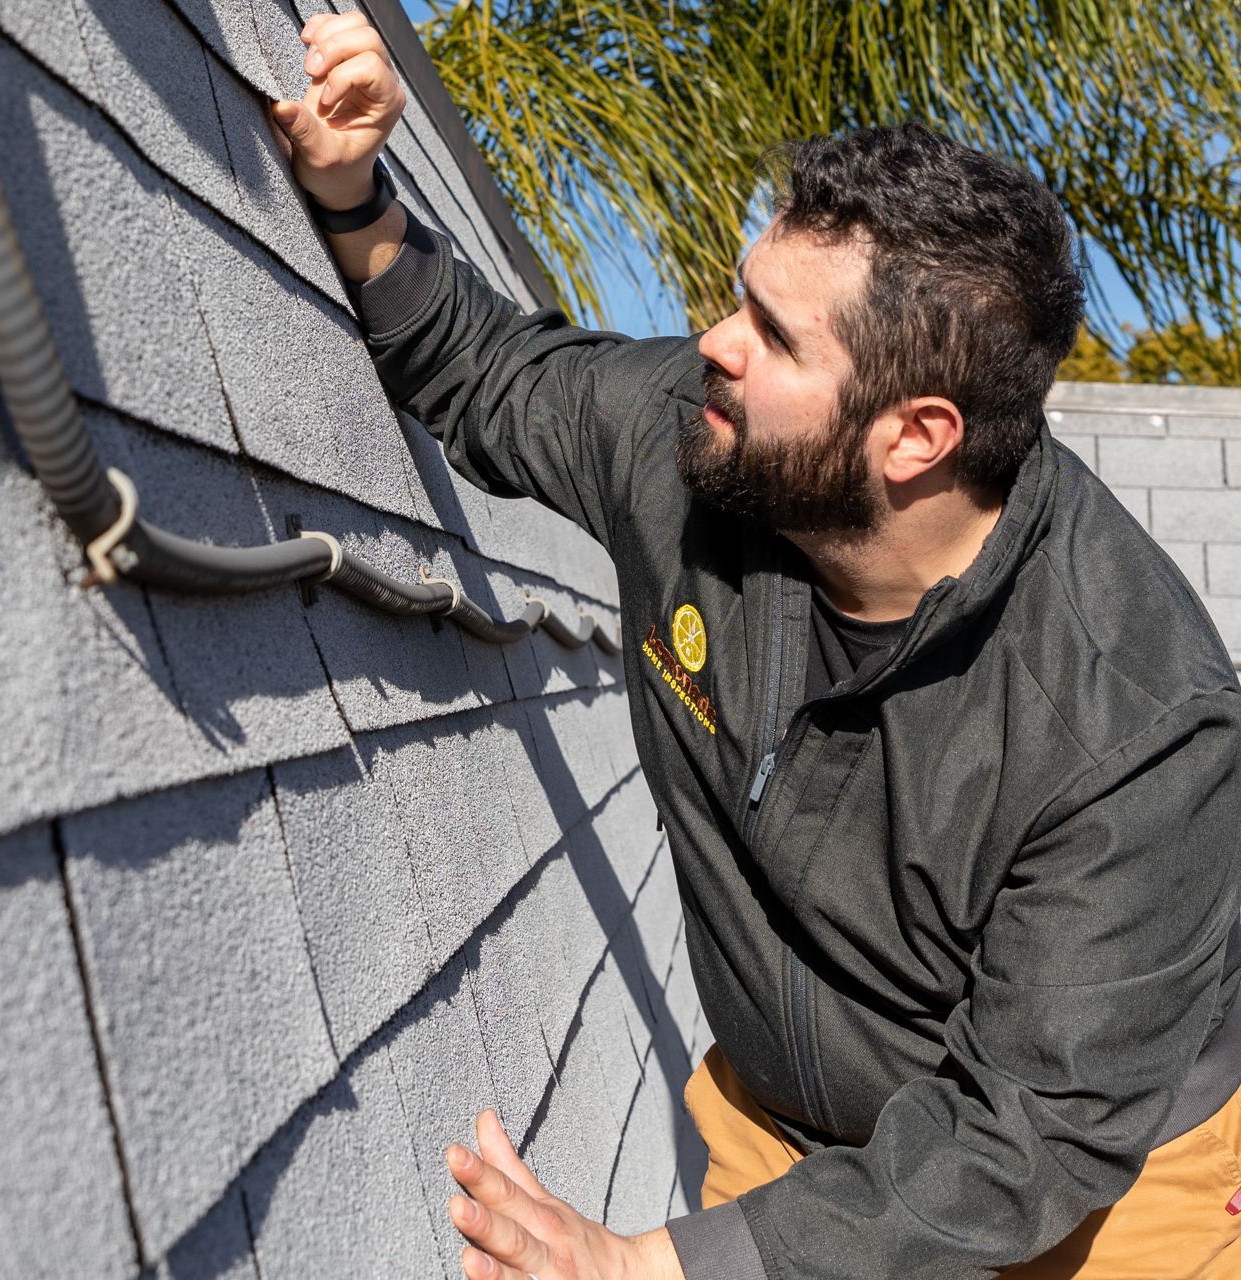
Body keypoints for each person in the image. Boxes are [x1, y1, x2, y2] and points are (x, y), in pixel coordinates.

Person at [269, 12, 1241, 1280]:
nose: (719, 343)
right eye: (745, 301)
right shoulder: (706, 443)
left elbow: (1026, 1133)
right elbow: (487, 371)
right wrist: (350, 188)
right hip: (793, 1138)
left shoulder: (1138, 720)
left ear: (916, 435)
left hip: (1102, 1188)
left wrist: (640, 1267)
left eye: (777, 336)